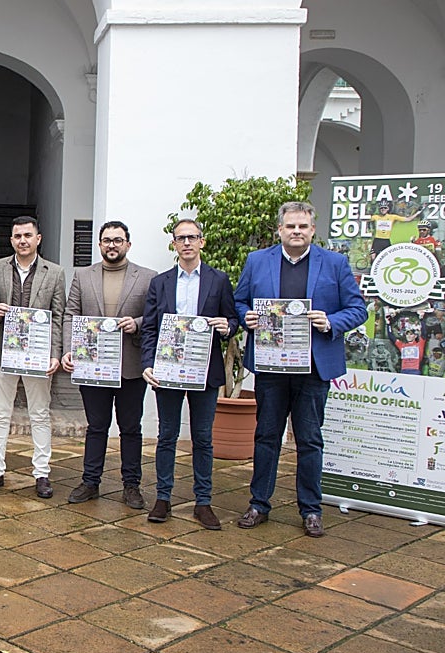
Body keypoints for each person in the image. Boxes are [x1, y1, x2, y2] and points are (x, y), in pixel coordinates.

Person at [235, 201, 367, 537]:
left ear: (312, 230)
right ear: (279, 229)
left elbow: (358, 309)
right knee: (266, 437)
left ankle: (310, 509)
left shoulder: (335, 263)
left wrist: (331, 321)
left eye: (303, 226)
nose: (296, 231)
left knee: (309, 440)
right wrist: (245, 317)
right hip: (270, 368)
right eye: (290, 226)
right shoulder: (257, 260)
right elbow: (239, 300)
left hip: (313, 369)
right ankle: (258, 504)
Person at [140, 218, 237, 529]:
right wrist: (147, 363)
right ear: (174, 244)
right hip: (167, 370)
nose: (186, 243)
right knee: (166, 435)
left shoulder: (219, 280)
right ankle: (163, 497)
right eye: (180, 238)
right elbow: (151, 327)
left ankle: (203, 502)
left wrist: (227, 326)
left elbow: (232, 319)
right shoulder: (161, 282)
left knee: (203, 438)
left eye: (192, 237)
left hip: (204, 371)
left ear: (202, 241)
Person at [60, 221, 156, 509]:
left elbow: (155, 316)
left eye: (117, 240)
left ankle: (131, 485)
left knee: (130, 428)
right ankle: (90, 481)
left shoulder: (147, 277)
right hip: (93, 366)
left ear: (128, 243)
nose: (111, 245)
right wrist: (68, 349)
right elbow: (69, 314)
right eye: (106, 240)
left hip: (130, 366)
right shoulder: (82, 275)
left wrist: (136, 323)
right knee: (96, 426)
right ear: (99, 244)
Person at [0, 217, 65, 499]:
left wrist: (55, 354)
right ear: (11, 240)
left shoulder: (55, 273)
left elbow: (58, 317)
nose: (22, 240)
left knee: (39, 414)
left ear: (38, 238)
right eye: (17, 236)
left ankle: (42, 473)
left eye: (28, 235)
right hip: (0, 353)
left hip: (38, 356)